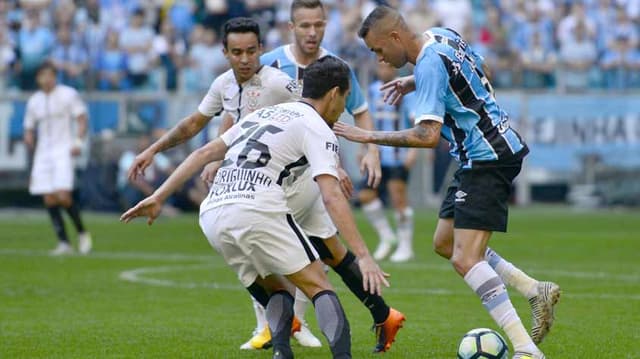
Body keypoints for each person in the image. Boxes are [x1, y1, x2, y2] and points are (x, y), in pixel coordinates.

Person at [128, 17, 405, 353]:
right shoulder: (315, 125)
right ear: (334, 94)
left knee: (279, 289)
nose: (343, 107)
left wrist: (159, 196)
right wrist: (366, 256)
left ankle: (282, 348)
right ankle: (357, 334)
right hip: (264, 201)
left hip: (214, 212)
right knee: (319, 283)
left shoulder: (261, 112)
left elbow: (203, 151)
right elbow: (332, 196)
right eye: (344, 99)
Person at [333, 6, 562, 359]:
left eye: (379, 50)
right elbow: (481, 68)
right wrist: (416, 82)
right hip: (478, 154)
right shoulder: (442, 36)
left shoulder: (428, 64)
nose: (379, 58)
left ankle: (526, 350)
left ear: (395, 37)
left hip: (489, 157)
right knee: (445, 242)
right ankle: (534, 290)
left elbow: (427, 135)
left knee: (465, 259)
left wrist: (367, 136)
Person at [254, 1, 406, 350]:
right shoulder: (269, 65)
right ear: (291, 27)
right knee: (327, 252)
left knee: (276, 252)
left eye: (318, 25)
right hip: (276, 174)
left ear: (326, 25)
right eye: (305, 26)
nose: (312, 33)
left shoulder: (335, 67)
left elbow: (362, 112)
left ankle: (282, 333)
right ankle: (382, 315)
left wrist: (368, 152)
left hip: (307, 178)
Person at [23, 61, 92, 256]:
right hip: (43, 152)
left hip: (63, 149)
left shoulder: (68, 94)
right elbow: (29, 126)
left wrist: (78, 142)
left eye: (50, 75)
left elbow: (81, 118)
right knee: (49, 197)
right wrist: (29, 138)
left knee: (63, 195)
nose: (46, 79)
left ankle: (82, 232)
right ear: (38, 78)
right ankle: (64, 242)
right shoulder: (34, 101)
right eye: (43, 75)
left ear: (55, 76)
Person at [358, 62, 417, 263]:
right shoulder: (374, 91)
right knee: (366, 195)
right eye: (380, 66)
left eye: (387, 66)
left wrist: (413, 152)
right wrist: (363, 148)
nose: (384, 70)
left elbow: (415, 121)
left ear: (394, 68)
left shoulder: (405, 89)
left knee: (398, 198)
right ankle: (386, 236)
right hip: (377, 154)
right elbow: (368, 120)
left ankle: (405, 245)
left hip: (399, 154)